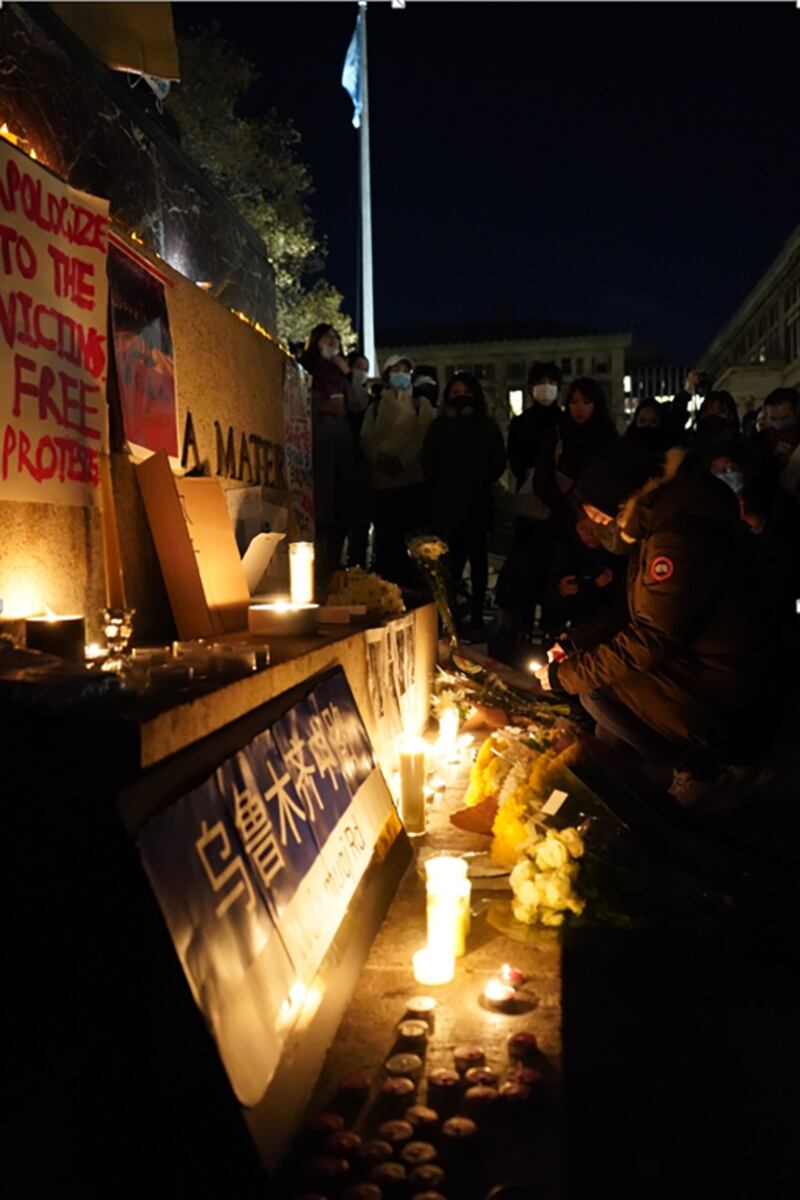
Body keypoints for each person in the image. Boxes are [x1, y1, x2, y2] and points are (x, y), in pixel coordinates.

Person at [535, 439, 773, 807]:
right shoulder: (661, 527)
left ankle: (703, 771)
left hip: (726, 689)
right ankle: (667, 773)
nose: (602, 529)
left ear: (625, 502)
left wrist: (564, 676)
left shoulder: (678, 537)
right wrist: (574, 643)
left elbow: (653, 636)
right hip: (706, 670)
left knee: (597, 690)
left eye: (602, 519)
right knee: (601, 706)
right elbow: (639, 612)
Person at [421, 371, 506, 634]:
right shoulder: (439, 427)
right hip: (448, 507)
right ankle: (452, 616)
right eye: (454, 393)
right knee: (451, 566)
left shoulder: (486, 425)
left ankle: (478, 614)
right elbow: (428, 462)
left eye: (464, 393)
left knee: (479, 562)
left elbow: (498, 462)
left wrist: (479, 477)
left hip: (477, 504)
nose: (459, 398)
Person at [491, 362, 563, 665]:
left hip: (559, 510)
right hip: (529, 507)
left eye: (550, 382)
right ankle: (518, 634)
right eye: (540, 382)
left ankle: (552, 633)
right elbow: (515, 459)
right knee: (524, 572)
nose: (545, 387)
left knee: (555, 573)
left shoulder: (564, 421)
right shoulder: (522, 423)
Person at [360, 353, 434, 586]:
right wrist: (380, 461)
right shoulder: (374, 408)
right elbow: (366, 439)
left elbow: (424, 437)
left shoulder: (420, 404)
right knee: (386, 542)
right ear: (386, 375)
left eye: (405, 370)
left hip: (412, 482)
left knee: (412, 541)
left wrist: (402, 460)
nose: (400, 374)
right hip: (382, 484)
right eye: (395, 370)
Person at [300, 324, 355, 593]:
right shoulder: (306, 369)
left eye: (336, 338)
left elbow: (359, 405)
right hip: (317, 451)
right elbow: (295, 402)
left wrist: (349, 373)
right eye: (327, 337)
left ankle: (334, 575)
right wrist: (322, 407)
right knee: (319, 517)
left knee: (339, 517)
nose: (332, 341)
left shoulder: (343, 374)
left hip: (341, 453)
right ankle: (315, 580)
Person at [345, 349, 372, 568]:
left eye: (365, 369)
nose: (361, 372)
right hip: (344, 463)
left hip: (363, 468)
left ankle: (358, 569)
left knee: (360, 526)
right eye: (358, 367)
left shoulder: (370, 401)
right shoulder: (343, 394)